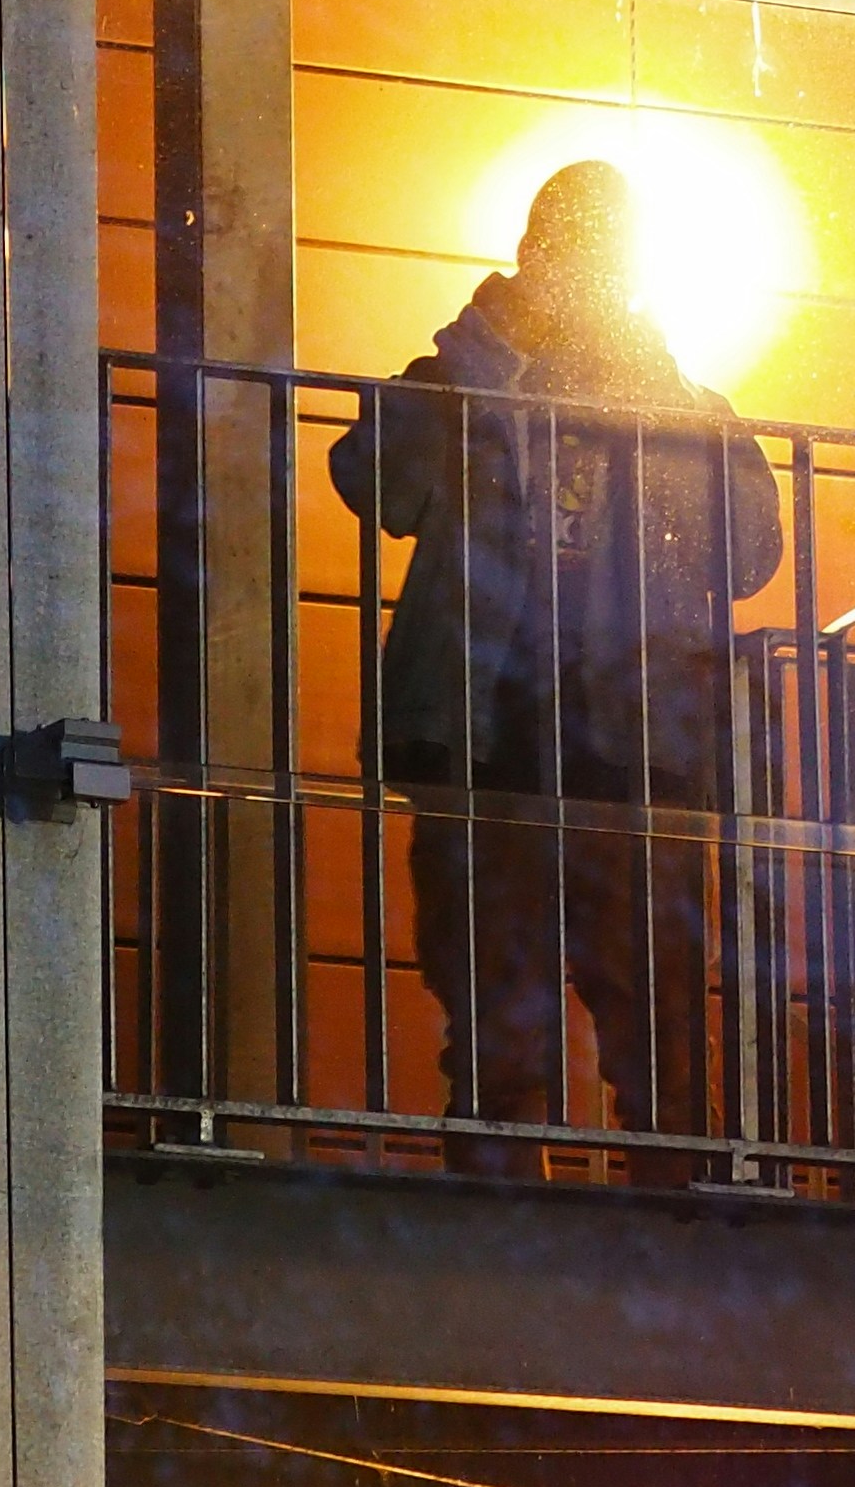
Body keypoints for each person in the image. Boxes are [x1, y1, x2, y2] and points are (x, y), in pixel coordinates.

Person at [329, 159, 783, 1171]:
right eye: (562, 251)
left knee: (656, 1005)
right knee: (495, 1007)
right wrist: (487, 351)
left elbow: (751, 551)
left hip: (634, 745)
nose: (579, 278)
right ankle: (511, 1214)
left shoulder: (684, 405)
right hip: (490, 737)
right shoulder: (457, 387)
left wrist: (657, 394)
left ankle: (673, 1211)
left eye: (597, 255)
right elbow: (374, 482)